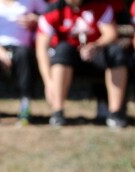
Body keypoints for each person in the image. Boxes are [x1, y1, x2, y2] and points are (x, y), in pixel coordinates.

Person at [35, 0, 129, 128]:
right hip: (66, 59)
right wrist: (48, 82)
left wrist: (96, 45)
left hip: (96, 54)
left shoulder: (99, 6)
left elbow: (110, 34)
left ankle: (115, 113)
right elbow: (41, 48)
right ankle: (57, 112)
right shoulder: (53, 10)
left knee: (116, 53)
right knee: (62, 50)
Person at [0, 0, 49, 125]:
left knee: (25, 55)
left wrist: (36, 20)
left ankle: (25, 108)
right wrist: (1, 53)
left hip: (21, 48)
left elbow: (49, 14)